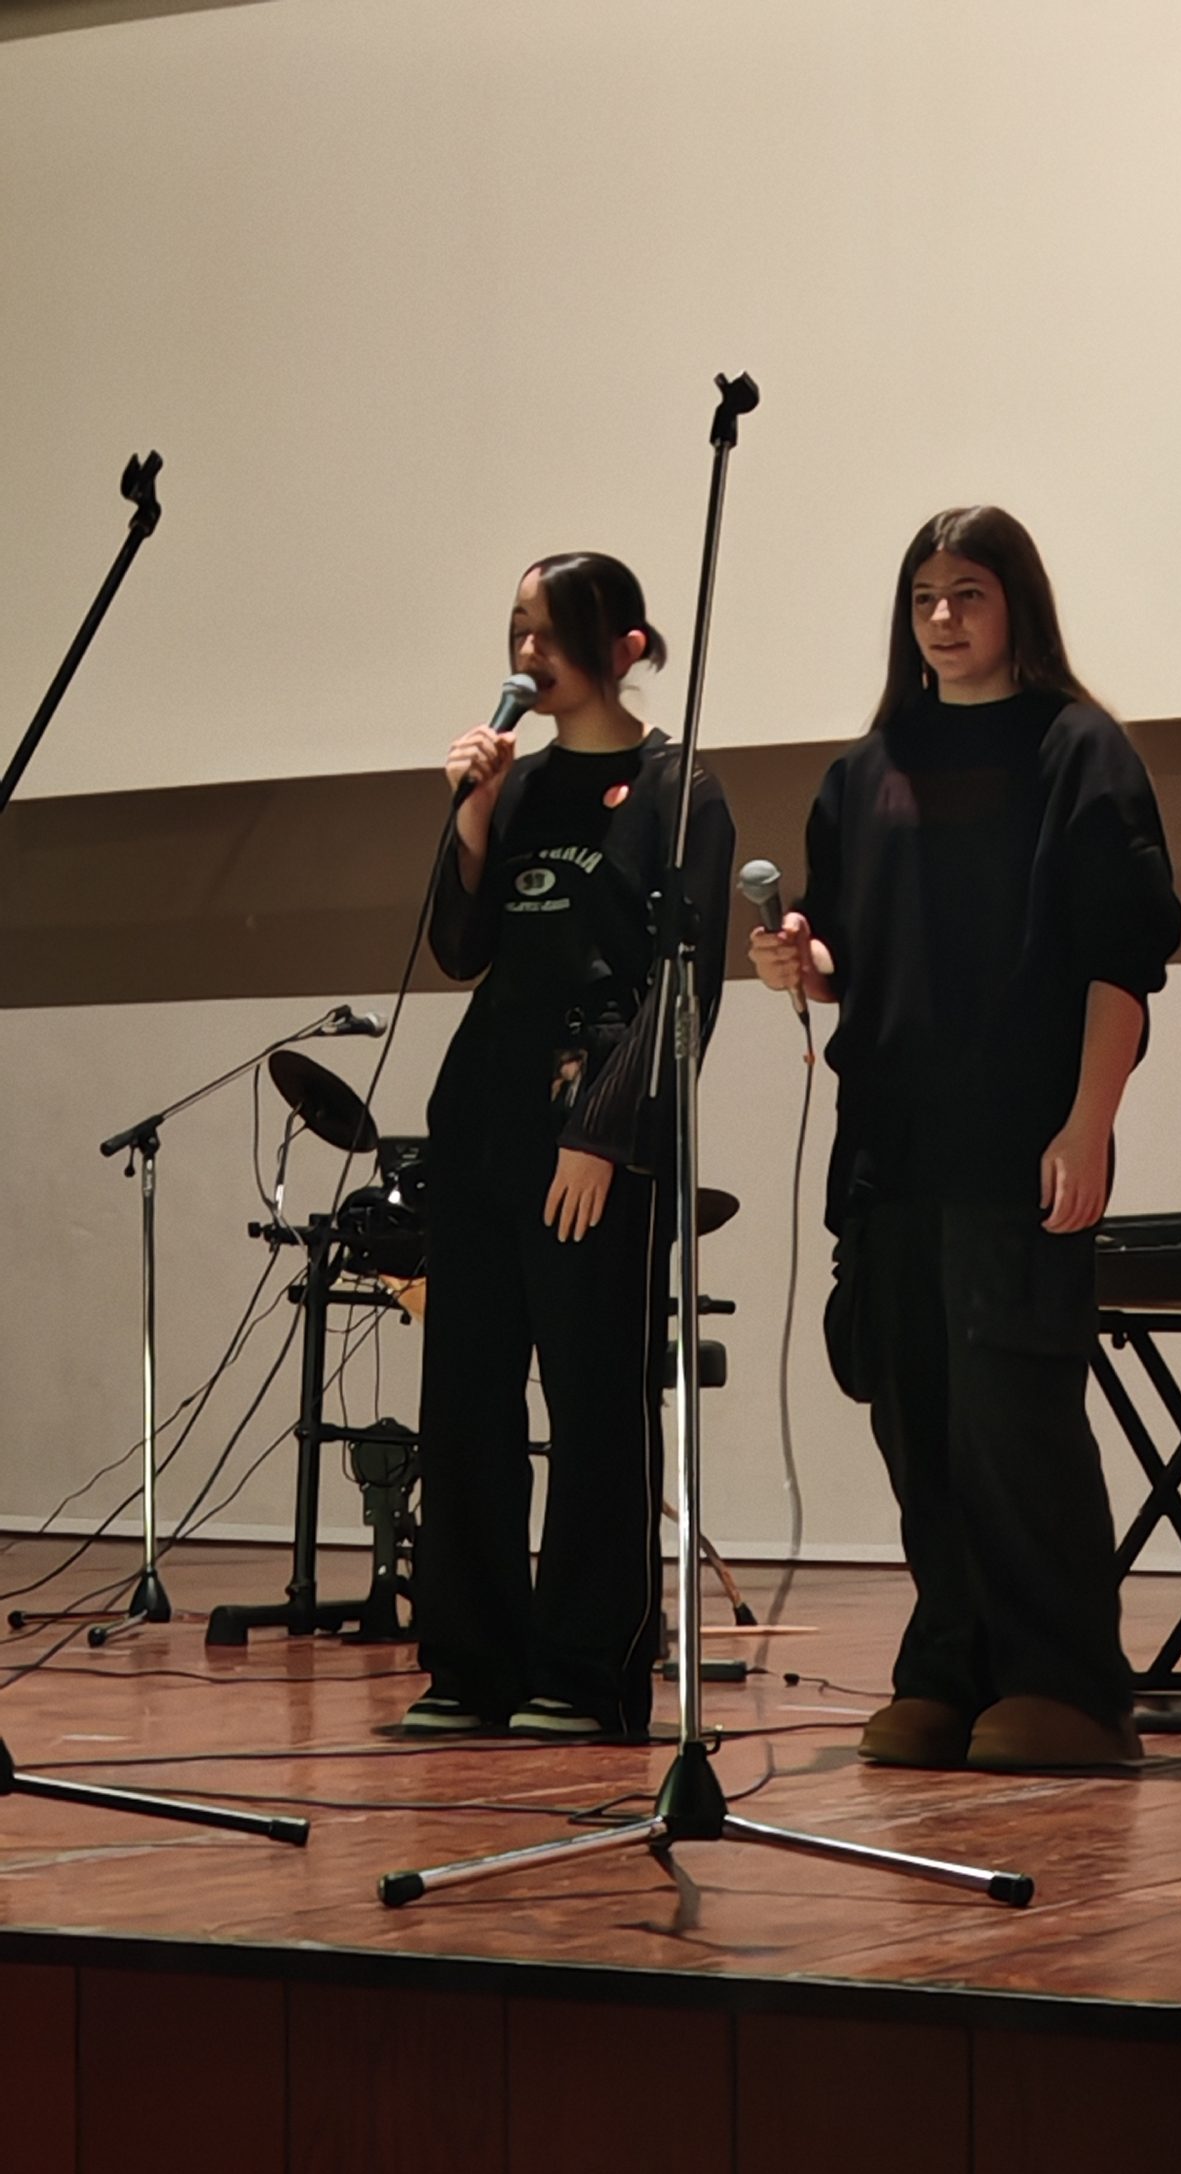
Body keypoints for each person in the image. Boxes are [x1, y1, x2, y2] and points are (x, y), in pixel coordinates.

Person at [750, 506, 1181, 1773]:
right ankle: (950, 1668)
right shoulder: (864, 773)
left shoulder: (1078, 750)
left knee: (1015, 1425)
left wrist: (1089, 1124)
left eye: (969, 594)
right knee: (919, 1426)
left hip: (1020, 1142)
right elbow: (848, 959)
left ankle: (1066, 1683)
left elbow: (1121, 960)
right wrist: (800, 963)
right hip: (892, 1150)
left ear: (1016, 606)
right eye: (925, 597)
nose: (943, 618)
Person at [406, 551, 735, 1739]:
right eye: (517, 631)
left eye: (549, 633)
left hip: (595, 1133)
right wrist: (474, 814)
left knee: (595, 1404)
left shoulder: (678, 790)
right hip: (484, 1121)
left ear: (626, 646)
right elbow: (460, 949)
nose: (527, 655)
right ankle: (471, 1662)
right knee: (467, 1399)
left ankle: (589, 1668)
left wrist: (603, 1133)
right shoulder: (517, 780)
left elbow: (685, 985)